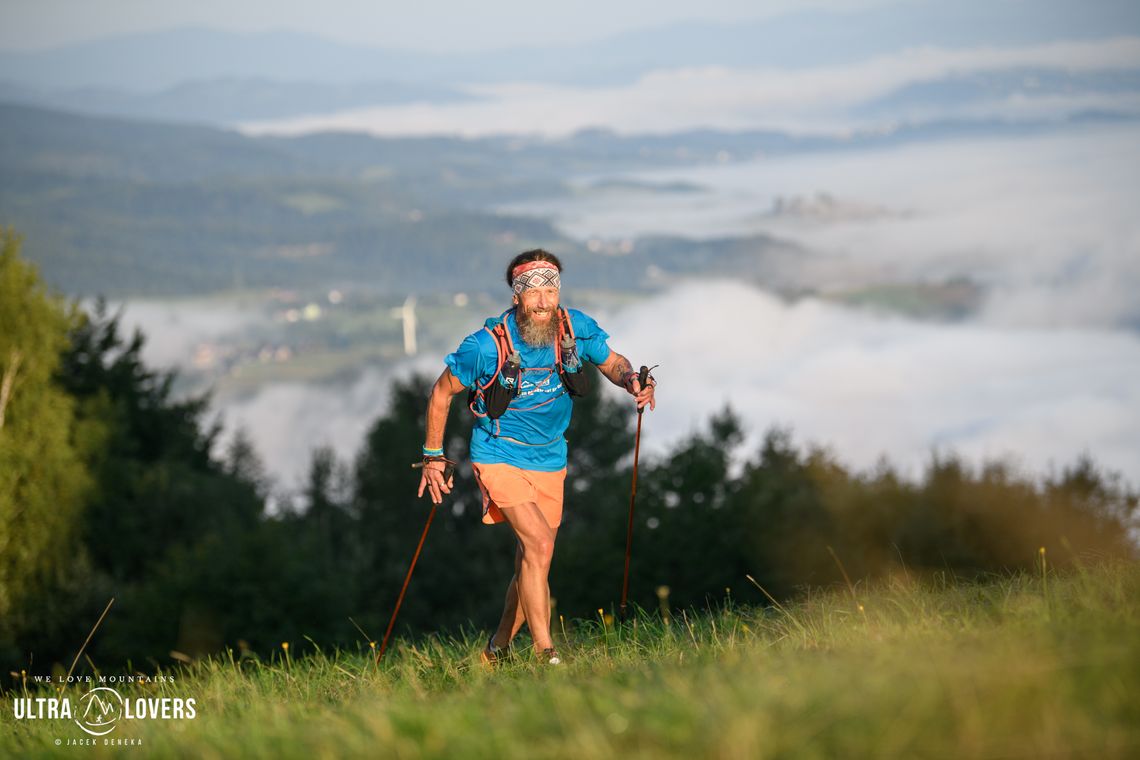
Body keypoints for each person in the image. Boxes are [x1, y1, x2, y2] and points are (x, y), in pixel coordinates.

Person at [416, 249, 655, 666]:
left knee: (534, 560)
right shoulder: (485, 346)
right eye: (534, 293)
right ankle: (547, 654)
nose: (544, 302)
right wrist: (433, 457)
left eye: (551, 291)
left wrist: (633, 380)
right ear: (516, 297)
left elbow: (614, 362)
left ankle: (495, 652)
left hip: (550, 458)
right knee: (540, 544)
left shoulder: (574, 328)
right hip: (498, 455)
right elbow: (440, 393)